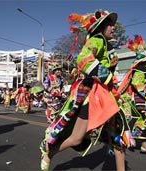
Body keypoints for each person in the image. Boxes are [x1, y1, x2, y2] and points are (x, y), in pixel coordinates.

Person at [40, 9, 135, 171]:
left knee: (118, 136)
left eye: (113, 24)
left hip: (108, 96)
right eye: (110, 24)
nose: (113, 27)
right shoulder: (97, 40)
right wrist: (106, 77)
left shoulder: (107, 44)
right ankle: (49, 154)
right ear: (100, 27)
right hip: (93, 96)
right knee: (76, 139)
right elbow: (83, 59)